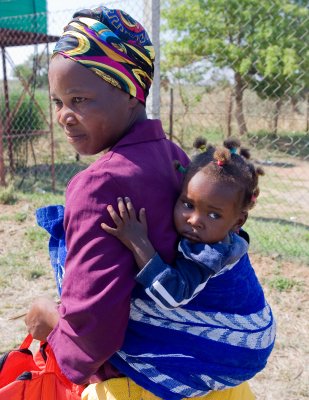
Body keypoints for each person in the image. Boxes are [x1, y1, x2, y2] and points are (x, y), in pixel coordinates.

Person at [25, 5, 257, 400]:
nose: (65, 115)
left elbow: (93, 330)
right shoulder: (178, 159)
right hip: (211, 381)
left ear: (132, 92)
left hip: (142, 386)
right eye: (58, 102)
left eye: (79, 99)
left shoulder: (98, 185)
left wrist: (49, 317)